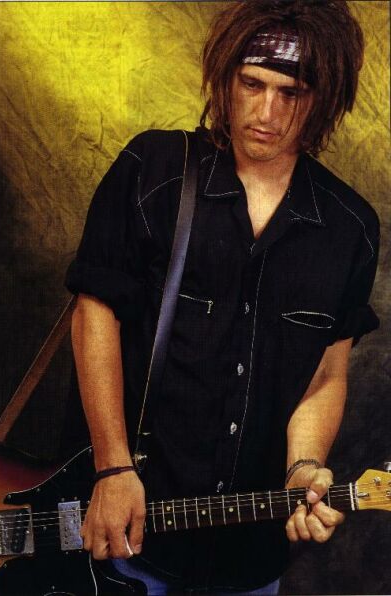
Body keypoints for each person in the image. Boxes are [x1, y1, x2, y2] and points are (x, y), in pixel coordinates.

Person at [65, 0, 380, 593]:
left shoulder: (350, 227)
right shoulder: (154, 168)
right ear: (225, 76)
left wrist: (303, 468)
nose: (267, 112)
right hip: (125, 528)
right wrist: (112, 466)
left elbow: (324, 373)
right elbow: (94, 314)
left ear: (324, 99)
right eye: (252, 84)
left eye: (292, 94)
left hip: (248, 555)